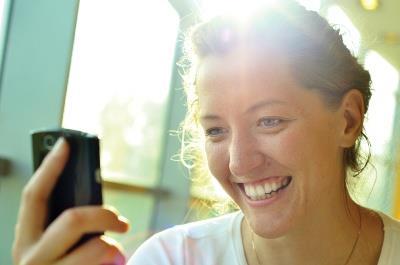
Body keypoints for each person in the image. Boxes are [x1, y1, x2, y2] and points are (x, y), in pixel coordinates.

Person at [12, 1, 400, 265]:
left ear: (348, 120)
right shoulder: (171, 258)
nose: (239, 162)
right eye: (216, 130)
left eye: (269, 121)